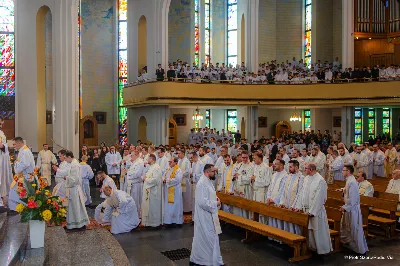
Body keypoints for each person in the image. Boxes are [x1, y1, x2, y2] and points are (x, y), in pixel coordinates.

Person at [292, 163, 332, 255]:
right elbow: (302, 193)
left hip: (315, 211)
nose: (304, 170)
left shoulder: (320, 181)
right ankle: (311, 248)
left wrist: (312, 211)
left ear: (310, 170)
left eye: (305, 169)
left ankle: (322, 251)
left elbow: (320, 198)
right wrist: (298, 207)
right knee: (309, 231)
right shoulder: (306, 179)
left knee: (317, 231)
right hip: (306, 210)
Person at [189, 164, 223, 266]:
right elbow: (202, 202)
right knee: (207, 238)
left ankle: (213, 260)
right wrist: (215, 203)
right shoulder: (202, 183)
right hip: (205, 217)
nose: (215, 173)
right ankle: (205, 261)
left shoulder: (207, 181)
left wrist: (216, 199)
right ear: (207, 172)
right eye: (213, 171)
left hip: (209, 215)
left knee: (208, 238)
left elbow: (210, 195)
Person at [340, 165, 369, 254]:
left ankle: (359, 249)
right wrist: (343, 190)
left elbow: (352, 198)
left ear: (348, 171)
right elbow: (348, 191)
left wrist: (345, 207)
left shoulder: (352, 182)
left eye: (343, 170)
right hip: (350, 208)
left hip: (352, 209)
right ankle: (350, 245)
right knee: (347, 227)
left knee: (354, 229)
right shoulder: (350, 180)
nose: (342, 172)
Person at [8, 137, 36, 211]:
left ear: (19, 143)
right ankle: (17, 208)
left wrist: (16, 164)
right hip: (22, 176)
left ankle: (17, 209)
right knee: (15, 191)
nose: (13, 146)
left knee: (18, 192)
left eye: (14, 144)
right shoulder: (23, 150)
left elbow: (25, 164)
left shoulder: (25, 151)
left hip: (26, 176)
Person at [64, 151, 90, 231]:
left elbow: (74, 179)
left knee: (76, 207)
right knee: (74, 207)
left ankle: (79, 225)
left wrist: (67, 178)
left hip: (74, 188)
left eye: (65, 158)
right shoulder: (73, 163)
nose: (65, 160)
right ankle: (73, 224)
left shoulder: (74, 165)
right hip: (73, 189)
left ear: (69, 157)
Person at [279, 160, 304, 234]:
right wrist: (282, 202)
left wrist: (294, 206)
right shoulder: (288, 176)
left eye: (290, 167)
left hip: (294, 205)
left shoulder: (301, 177)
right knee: (287, 223)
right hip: (287, 203)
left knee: (295, 225)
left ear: (296, 167)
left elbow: (300, 193)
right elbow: (284, 191)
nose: (289, 169)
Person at [141, 154, 163, 227]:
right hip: (149, 191)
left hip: (154, 192)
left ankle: (154, 224)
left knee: (153, 208)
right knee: (149, 208)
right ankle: (149, 223)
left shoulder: (156, 167)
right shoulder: (151, 167)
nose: (147, 160)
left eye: (148, 159)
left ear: (151, 159)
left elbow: (156, 180)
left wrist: (146, 179)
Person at [266, 159, 288, 228]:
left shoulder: (285, 176)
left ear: (281, 165)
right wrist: (268, 197)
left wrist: (275, 200)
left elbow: (282, 190)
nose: (274, 165)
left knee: (278, 221)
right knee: (271, 219)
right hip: (270, 200)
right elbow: (270, 187)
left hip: (277, 201)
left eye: (276, 164)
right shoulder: (274, 174)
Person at [252, 153, 273, 223]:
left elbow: (267, 182)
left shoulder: (266, 167)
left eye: (255, 158)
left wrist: (256, 179)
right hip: (255, 191)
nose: (253, 160)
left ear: (260, 159)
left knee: (262, 213)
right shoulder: (255, 166)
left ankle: (263, 226)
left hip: (262, 193)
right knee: (255, 210)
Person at [232, 151, 253, 219]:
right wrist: (235, 176)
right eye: (243, 157)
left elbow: (248, 179)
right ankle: (238, 220)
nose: (244, 159)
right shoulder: (239, 165)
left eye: (246, 157)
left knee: (244, 207)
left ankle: (245, 221)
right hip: (238, 188)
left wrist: (239, 176)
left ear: (248, 157)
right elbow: (235, 173)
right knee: (238, 206)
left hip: (245, 189)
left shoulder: (250, 166)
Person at [163, 157, 184, 226]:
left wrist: (167, 180)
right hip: (169, 190)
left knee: (175, 205)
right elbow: (165, 176)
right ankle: (169, 221)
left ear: (175, 163)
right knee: (169, 206)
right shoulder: (169, 169)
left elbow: (177, 180)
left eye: (171, 162)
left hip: (175, 190)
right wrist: (164, 179)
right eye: (169, 162)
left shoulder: (178, 170)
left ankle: (176, 221)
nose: (169, 163)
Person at [126, 150, 144, 217]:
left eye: (132, 155)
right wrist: (129, 173)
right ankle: (133, 215)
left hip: (136, 184)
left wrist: (129, 175)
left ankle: (137, 216)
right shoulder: (135, 162)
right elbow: (130, 171)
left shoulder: (139, 162)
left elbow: (137, 174)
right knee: (132, 200)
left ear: (136, 155)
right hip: (132, 184)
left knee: (136, 200)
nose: (131, 157)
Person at [0, 117, 12, 207]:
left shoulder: (1, 133)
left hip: (2, 159)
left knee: (2, 179)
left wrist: (3, 146)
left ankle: (2, 199)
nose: (1, 125)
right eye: (0, 123)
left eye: (2, 123)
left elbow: (4, 145)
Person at [190, 151, 204, 221]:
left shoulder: (201, 163)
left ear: (196, 157)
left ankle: (198, 218)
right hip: (194, 184)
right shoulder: (193, 163)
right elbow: (192, 172)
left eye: (192, 158)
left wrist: (194, 175)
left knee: (198, 201)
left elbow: (202, 174)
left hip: (199, 185)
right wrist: (192, 175)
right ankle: (193, 218)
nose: (191, 159)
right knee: (193, 201)